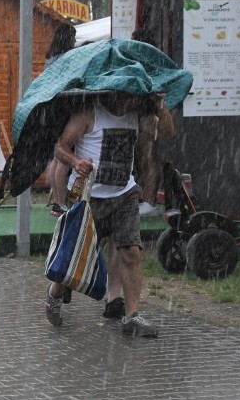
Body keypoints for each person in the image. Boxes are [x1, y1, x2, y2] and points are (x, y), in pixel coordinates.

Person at [48, 92, 160, 337]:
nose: (128, 99)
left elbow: (167, 133)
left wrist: (160, 104)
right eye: (124, 93)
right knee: (75, 256)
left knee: (131, 251)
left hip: (124, 194)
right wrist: (76, 161)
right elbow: (60, 147)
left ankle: (131, 317)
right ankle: (55, 293)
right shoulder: (89, 113)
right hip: (89, 197)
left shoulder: (137, 114)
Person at [44, 23, 77, 217]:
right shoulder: (66, 59)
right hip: (64, 109)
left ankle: (57, 202)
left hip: (52, 111)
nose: (74, 41)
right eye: (73, 38)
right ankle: (62, 203)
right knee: (64, 156)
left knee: (57, 156)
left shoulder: (51, 58)